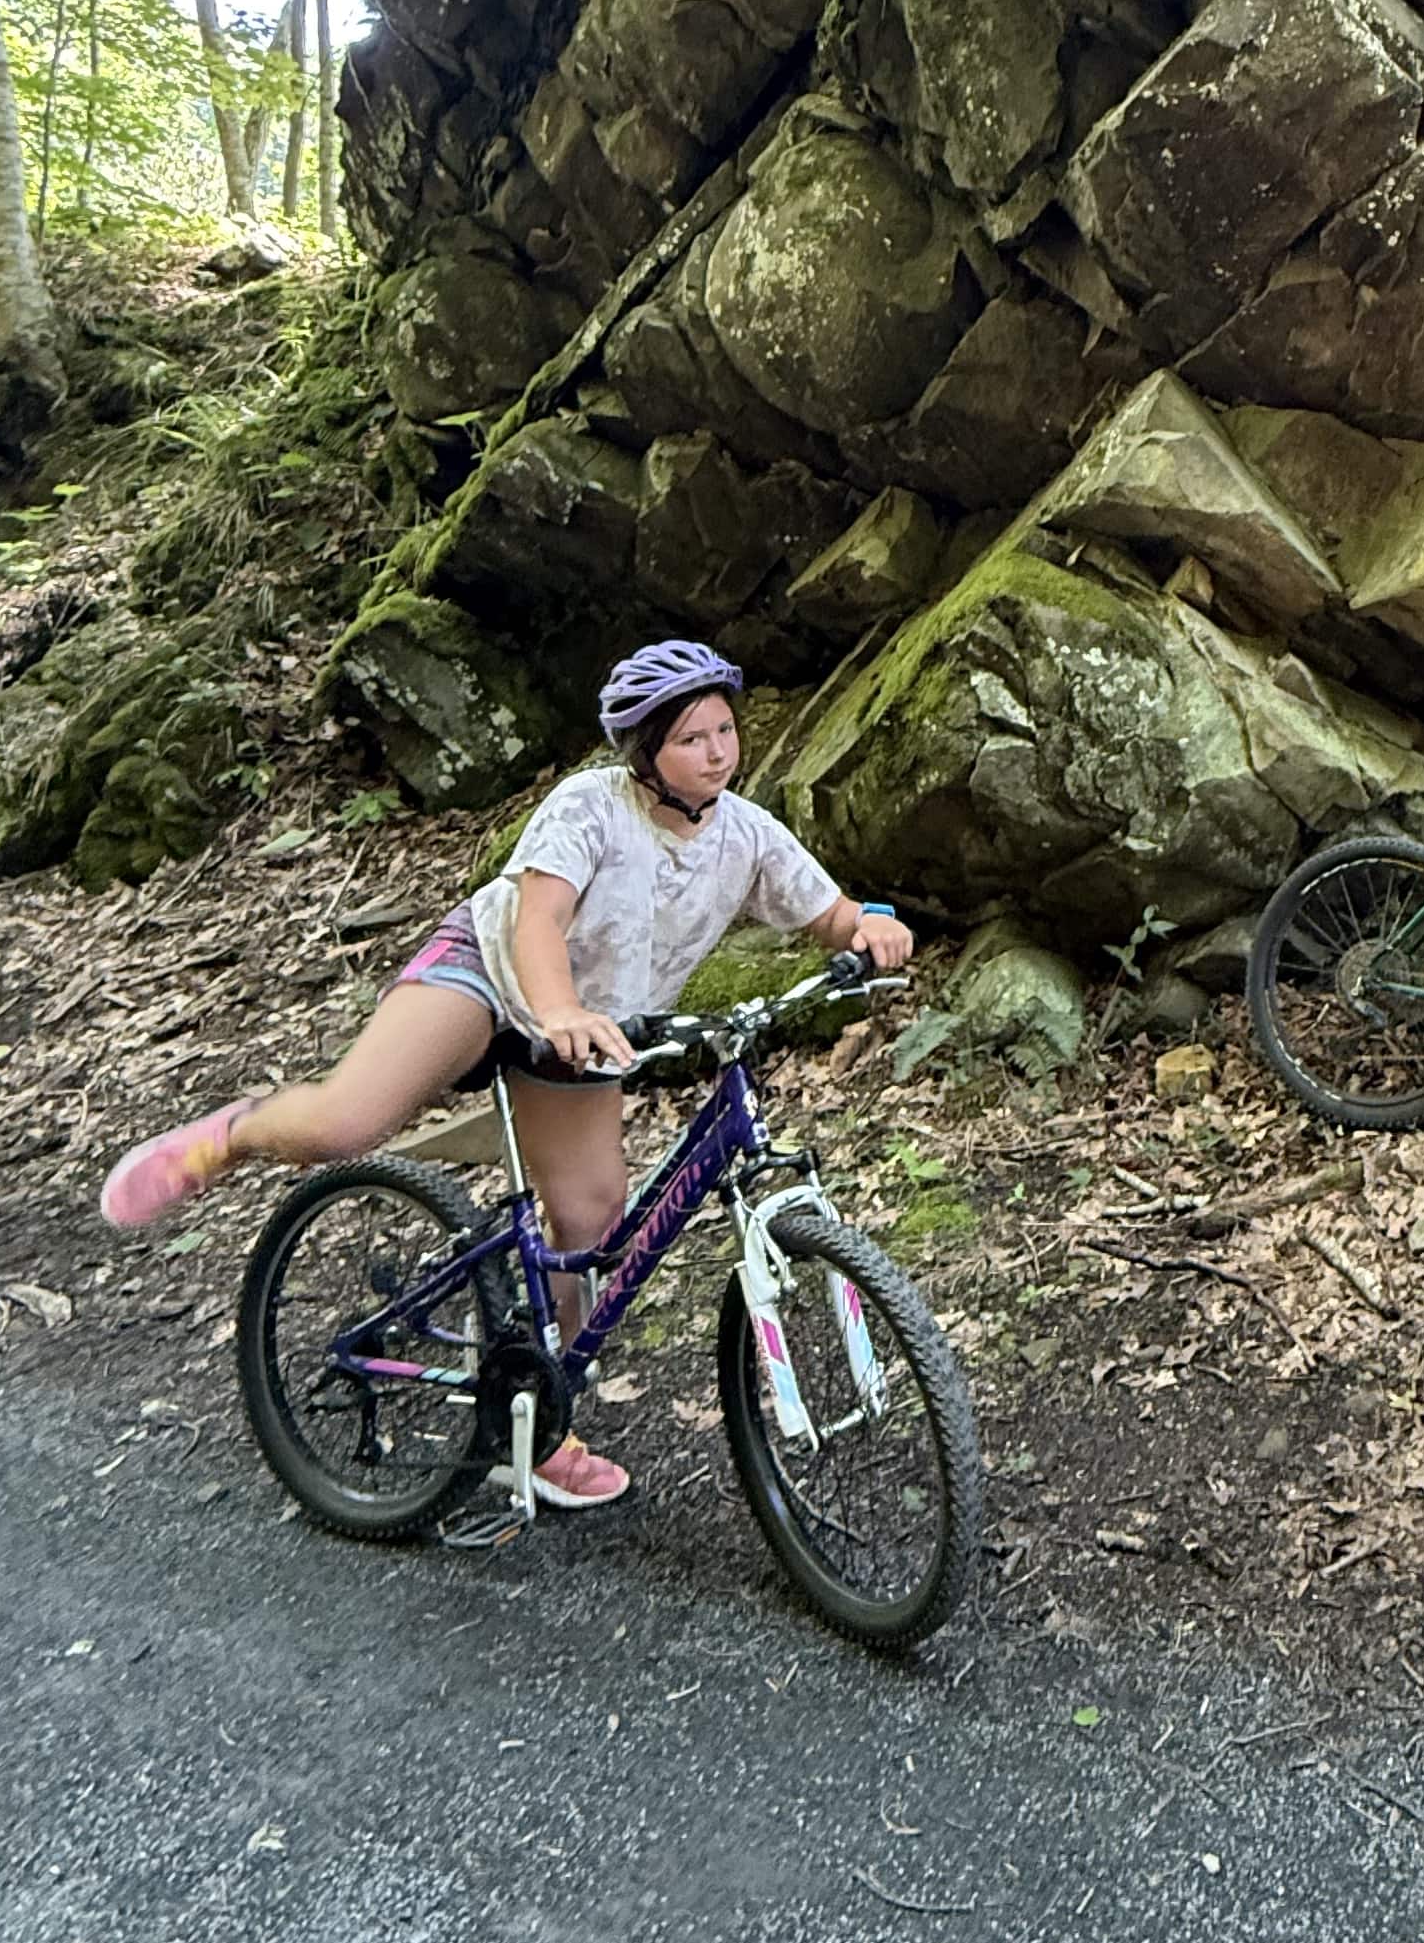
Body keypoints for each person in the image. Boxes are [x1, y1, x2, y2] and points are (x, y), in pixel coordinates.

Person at [100, 640, 915, 1510]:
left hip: (590, 1029)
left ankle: (538, 1417)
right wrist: (557, 1008)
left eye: (724, 731)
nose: (716, 753)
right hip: (489, 976)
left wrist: (868, 924)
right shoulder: (589, 808)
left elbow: (826, 910)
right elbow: (538, 922)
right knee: (346, 1124)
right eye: (690, 739)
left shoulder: (743, 832)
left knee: (590, 1222)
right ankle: (229, 1137)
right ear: (645, 752)